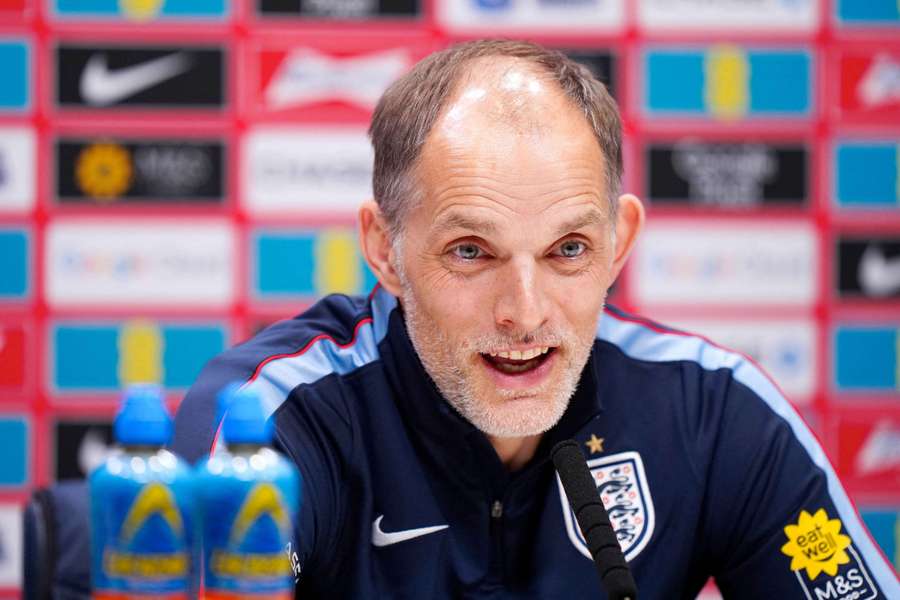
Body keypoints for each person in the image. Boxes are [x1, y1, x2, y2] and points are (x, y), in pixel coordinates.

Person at [173, 40, 898, 598]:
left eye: (568, 250)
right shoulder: (269, 422)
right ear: (384, 251)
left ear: (620, 244)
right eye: (470, 251)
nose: (525, 313)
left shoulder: (711, 411)